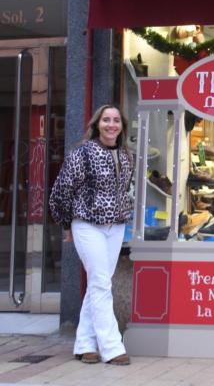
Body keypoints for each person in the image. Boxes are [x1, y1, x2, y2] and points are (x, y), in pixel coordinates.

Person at [48, 105, 133, 366]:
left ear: (122, 125)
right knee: (100, 283)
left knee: (100, 283)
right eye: (106, 120)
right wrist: (66, 225)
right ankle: (111, 346)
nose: (111, 125)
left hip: (115, 226)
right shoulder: (83, 154)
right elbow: (60, 192)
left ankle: (85, 344)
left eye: (116, 120)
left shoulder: (126, 155)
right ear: (97, 124)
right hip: (87, 225)